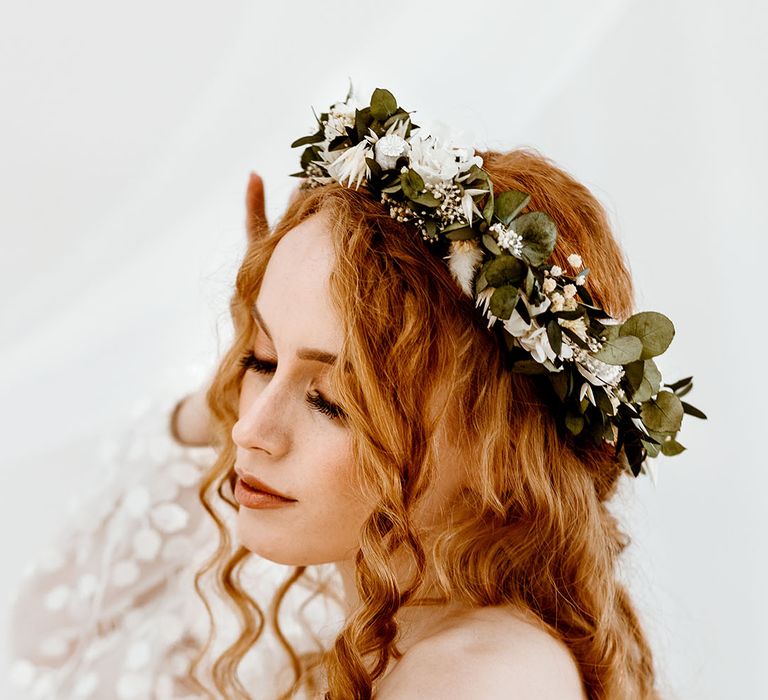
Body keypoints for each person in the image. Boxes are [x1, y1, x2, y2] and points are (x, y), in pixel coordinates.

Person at [9, 86, 703, 699]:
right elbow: (46, 639)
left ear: (498, 450)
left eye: (332, 402)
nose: (251, 429)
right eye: (260, 360)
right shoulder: (356, 607)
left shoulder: (479, 681)